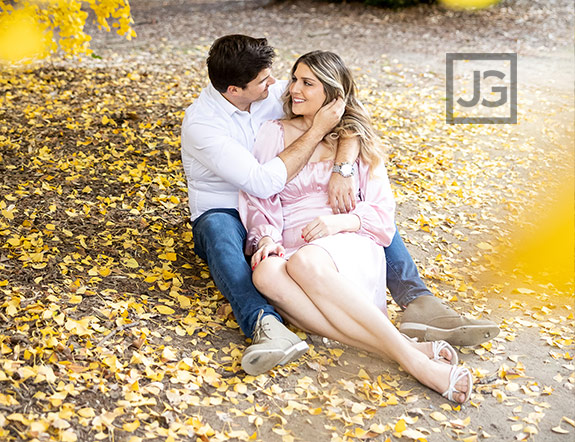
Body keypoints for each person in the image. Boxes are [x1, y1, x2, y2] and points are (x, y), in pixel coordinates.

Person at [181, 34, 498, 376]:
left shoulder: (273, 92)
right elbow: (261, 187)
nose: (283, 89)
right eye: (267, 81)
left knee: (352, 221)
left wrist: (342, 167)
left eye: (293, 81)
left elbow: (344, 110)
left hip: (327, 228)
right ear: (234, 90)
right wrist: (267, 236)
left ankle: (420, 302)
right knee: (234, 245)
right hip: (228, 204)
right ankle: (264, 322)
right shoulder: (204, 124)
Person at [240, 50, 473, 404]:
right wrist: (268, 237)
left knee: (306, 262)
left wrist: (337, 221)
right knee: (266, 274)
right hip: (292, 243)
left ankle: (415, 363)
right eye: (294, 79)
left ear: (334, 95)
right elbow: (261, 198)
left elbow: (382, 214)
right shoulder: (273, 133)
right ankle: (404, 347)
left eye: (307, 83)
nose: (293, 90)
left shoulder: (356, 141)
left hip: (346, 241)